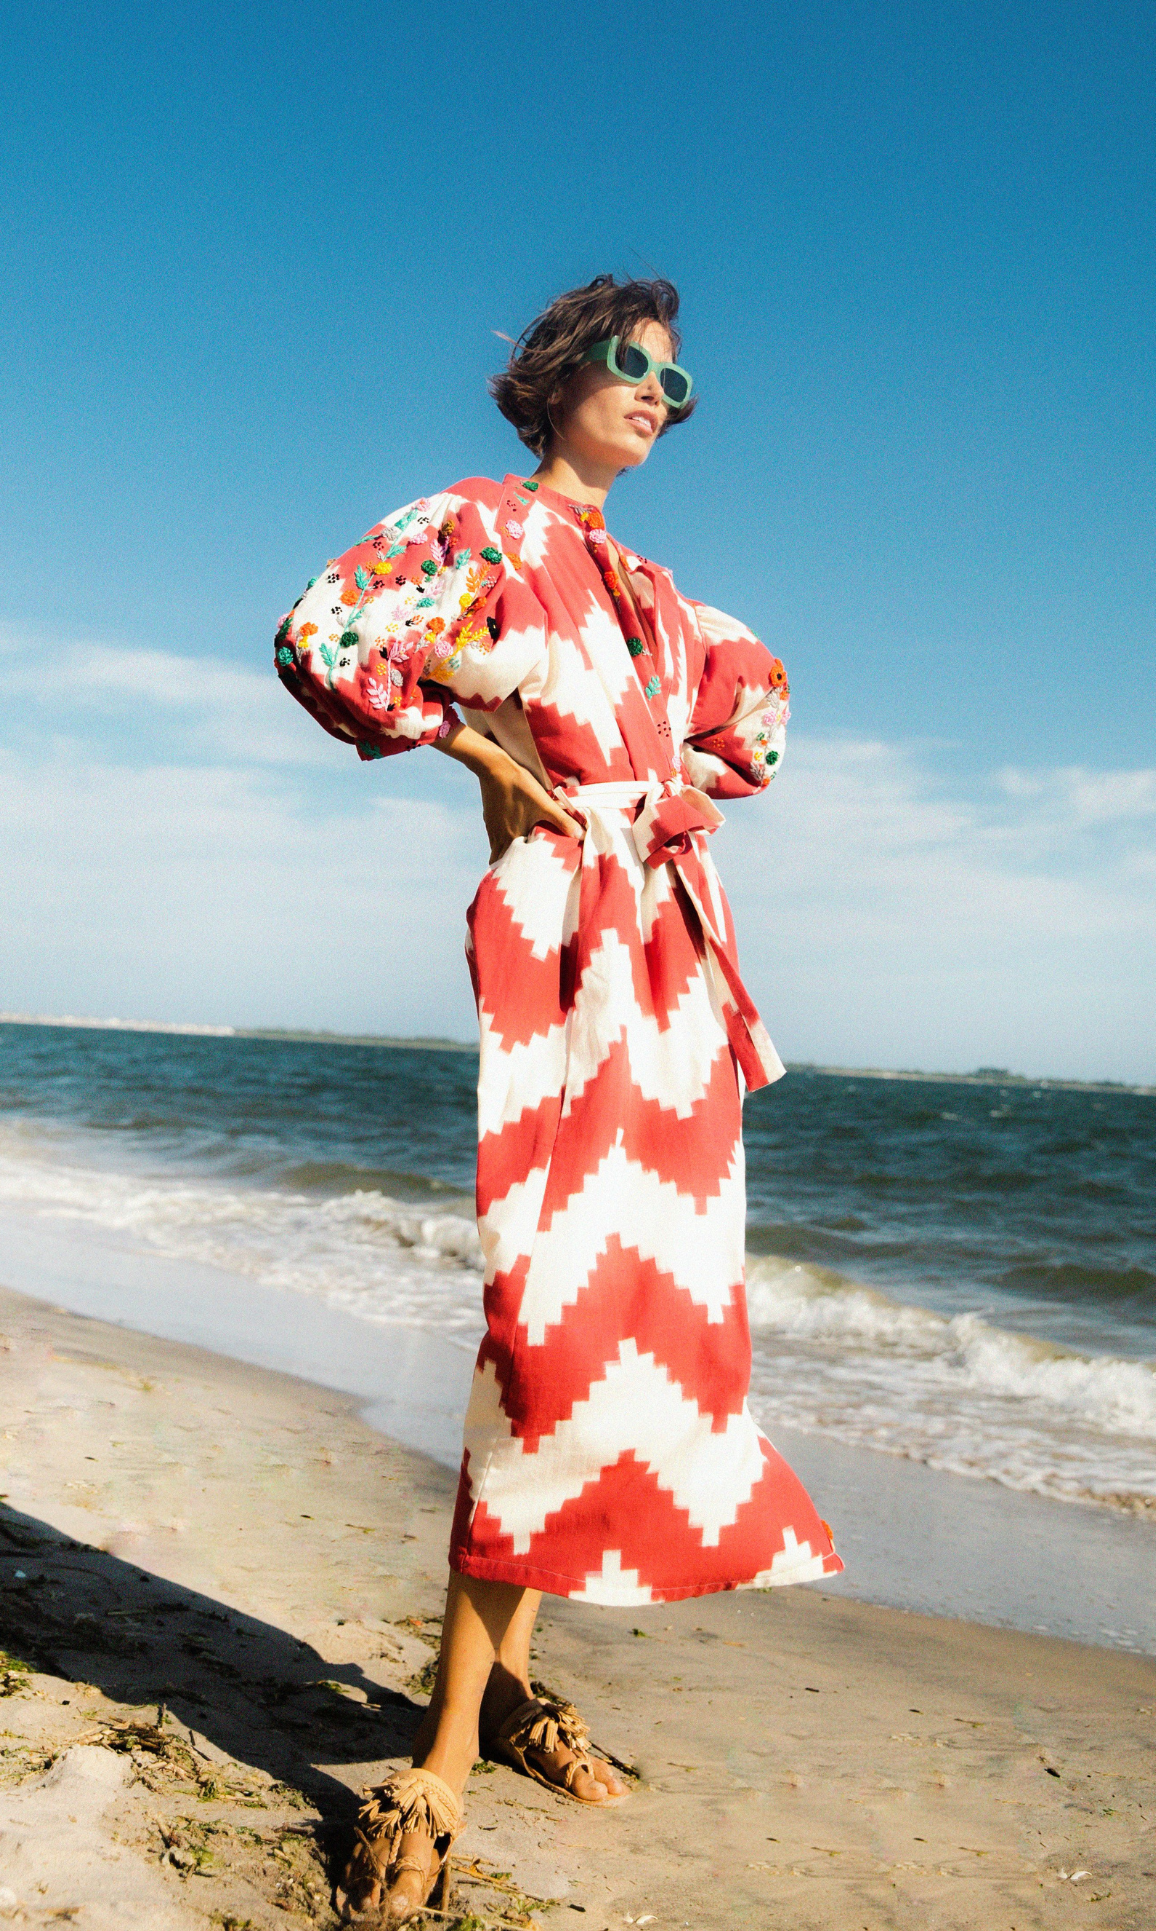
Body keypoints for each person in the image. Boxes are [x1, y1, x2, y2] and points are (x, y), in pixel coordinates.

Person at [274, 274, 843, 1927]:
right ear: (550, 377)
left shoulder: (663, 591)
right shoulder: (475, 523)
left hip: (671, 959)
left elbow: (765, 714)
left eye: (681, 381)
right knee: (545, 1324)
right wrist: (474, 743)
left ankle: (498, 1697)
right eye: (631, 363)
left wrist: (664, 783)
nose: (660, 393)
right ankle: (443, 1759)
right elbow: (326, 629)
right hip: (562, 941)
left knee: (633, 1332)